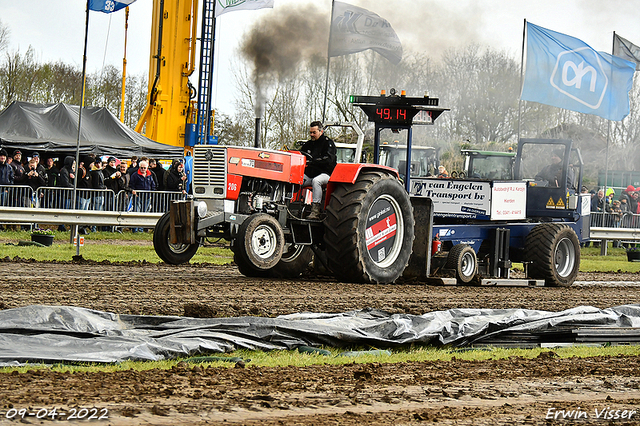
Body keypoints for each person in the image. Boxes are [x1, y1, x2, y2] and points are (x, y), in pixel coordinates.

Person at [300, 121, 337, 220]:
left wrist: (313, 161)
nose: (312, 135)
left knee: (317, 181)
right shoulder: (308, 144)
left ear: (321, 131)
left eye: (314, 132)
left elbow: (329, 159)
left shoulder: (328, 143)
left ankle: (315, 210)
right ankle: (294, 205)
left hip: (326, 174)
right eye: (310, 132)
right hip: (310, 173)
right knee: (297, 179)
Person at [129, 160, 156, 232]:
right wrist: (134, 191)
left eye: (144, 168)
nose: (143, 169)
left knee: (145, 213)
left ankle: (141, 229)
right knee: (137, 212)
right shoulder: (135, 175)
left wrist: (151, 193)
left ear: (147, 168)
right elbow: (131, 185)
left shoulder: (150, 175)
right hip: (138, 196)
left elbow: (153, 184)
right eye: (141, 168)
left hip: (147, 196)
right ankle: (135, 229)